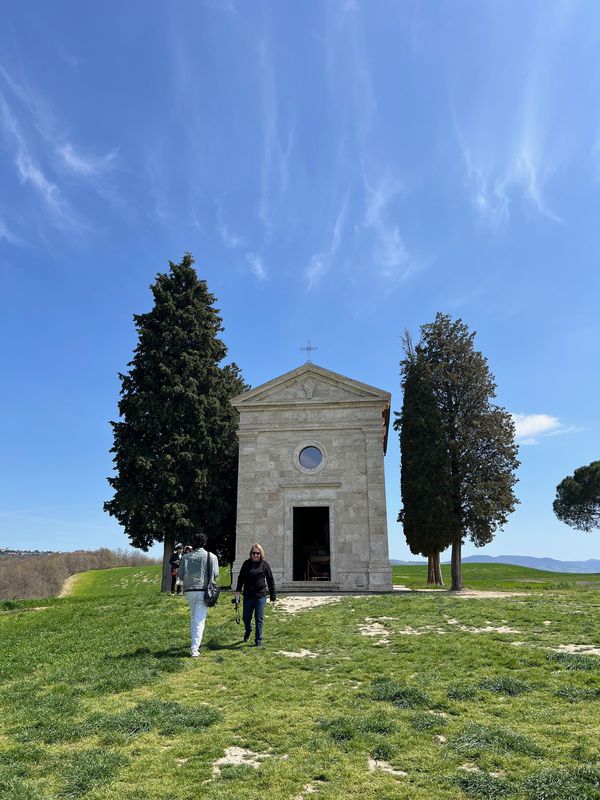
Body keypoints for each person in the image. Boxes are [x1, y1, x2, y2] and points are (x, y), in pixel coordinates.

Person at [177, 533, 219, 658]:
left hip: (189, 590)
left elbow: (180, 574)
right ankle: (194, 648)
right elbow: (216, 574)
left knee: (193, 617)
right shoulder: (212, 557)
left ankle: (194, 644)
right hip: (204, 590)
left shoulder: (186, 557)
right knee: (200, 619)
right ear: (205, 543)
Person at [235, 543, 276, 647]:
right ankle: (248, 630)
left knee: (259, 618)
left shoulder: (264, 564)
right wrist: (238, 590)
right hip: (248, 596)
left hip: (260, 595)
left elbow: (270, 580)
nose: (256, 555)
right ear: (251, 553)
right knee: (246, 617)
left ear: (261, 554)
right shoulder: (246, 564)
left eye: (258, 553)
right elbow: (241, 577)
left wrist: (273, 596)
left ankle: (258, 640)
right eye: (254, 553)